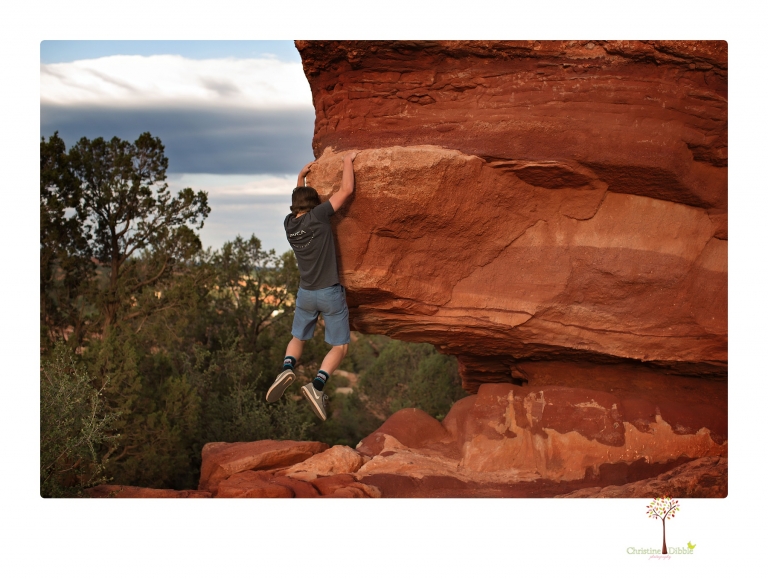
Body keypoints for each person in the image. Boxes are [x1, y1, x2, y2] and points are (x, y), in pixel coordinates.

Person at [266, 151, 359, 420]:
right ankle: (317, 385)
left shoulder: (288, 225)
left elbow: (297, 200)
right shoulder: (319, 216)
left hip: (306, 294)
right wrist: (347, 161)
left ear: (294, 206)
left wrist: (300, 177)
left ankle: (287, 368)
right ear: (314, 203)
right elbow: (347, 189)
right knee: (340, 346)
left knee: (298, 338)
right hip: (328, 292)